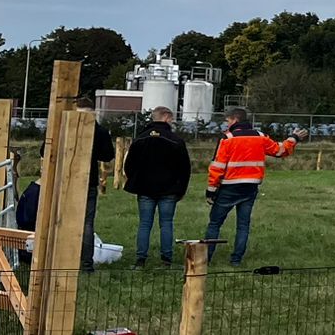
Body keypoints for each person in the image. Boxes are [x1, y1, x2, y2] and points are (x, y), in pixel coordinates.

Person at [203, 108, 303, 266]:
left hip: (229, 187)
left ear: (234, 120)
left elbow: (218, 166)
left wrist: (211, 190)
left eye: (227, 121)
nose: (226, 125)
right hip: (250, 187)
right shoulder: (260, 136)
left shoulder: (228, 138)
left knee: (215, 223)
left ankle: (205, 259)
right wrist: (294, 138)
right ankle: (236, 260)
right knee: (243, 225)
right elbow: (280, 150)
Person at [123, 106, 191, 266]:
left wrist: (136, 181)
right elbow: (185, 168)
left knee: (145, 223)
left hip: (145, 189)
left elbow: (129, 165)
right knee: (166, 223)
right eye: (171, 118)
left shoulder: (140, 139)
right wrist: (180, 189)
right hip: (169, 190)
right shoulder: (176, 141)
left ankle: (140, 259)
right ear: (166, 117)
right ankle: (166, 259)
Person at [79, 97, 118, 269]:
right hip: (89, 179)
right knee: (87, 223)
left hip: (65, 180)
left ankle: (63, 258)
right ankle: (87, 263)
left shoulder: (66, 126)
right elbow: (108, 155)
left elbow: (45, 150)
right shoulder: (100, 131)